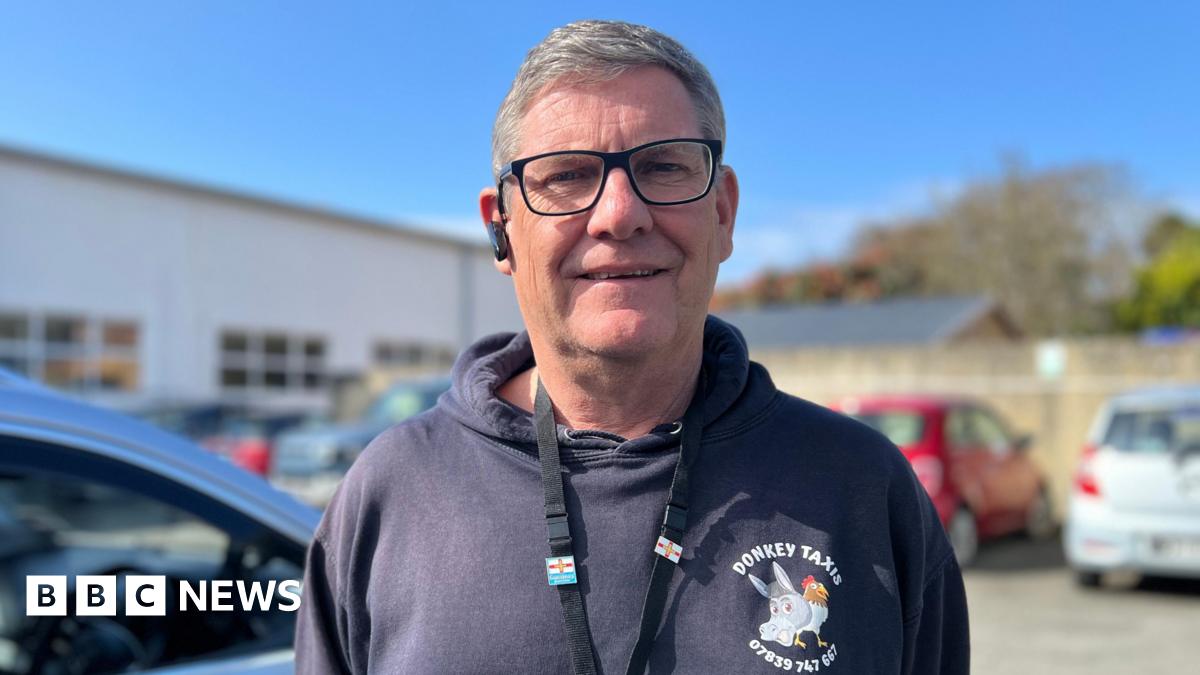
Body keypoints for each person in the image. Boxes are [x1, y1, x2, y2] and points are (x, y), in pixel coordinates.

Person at [296, 19, 969, 674]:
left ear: (724, 212)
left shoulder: (864, 489)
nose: (619, 213)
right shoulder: (388, 493)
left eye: (664, 166)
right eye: (565, 176)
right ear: (502, 227)